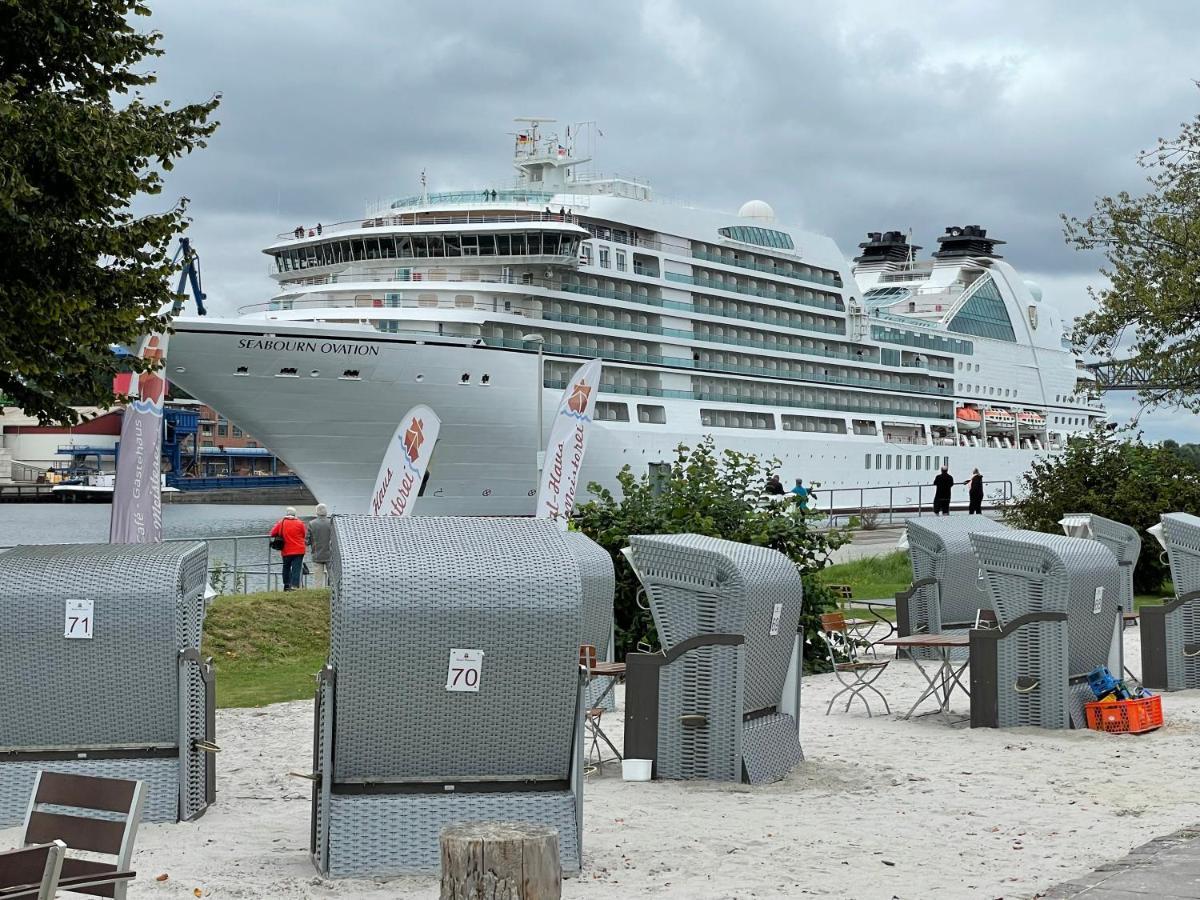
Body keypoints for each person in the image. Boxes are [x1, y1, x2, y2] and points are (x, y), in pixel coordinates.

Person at [270, 507, 307, 591]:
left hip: (286, 550)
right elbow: (303, 534)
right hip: (299, 550)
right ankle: (294, 586)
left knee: (286, 567)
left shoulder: (281, 522)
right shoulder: (300, 523)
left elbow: (272, 533)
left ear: (287, 514)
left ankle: (286, 585)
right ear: (295, 514)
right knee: (296, 569)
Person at [306, 503, 332, 587]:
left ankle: (318, 592)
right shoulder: (331, 522)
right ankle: (332, 591)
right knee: (332, 576)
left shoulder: (312, 523)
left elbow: (307, 541)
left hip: (317, 554)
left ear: (317, 512)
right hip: (330, 554)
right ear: (326, 512)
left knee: (318, 578)